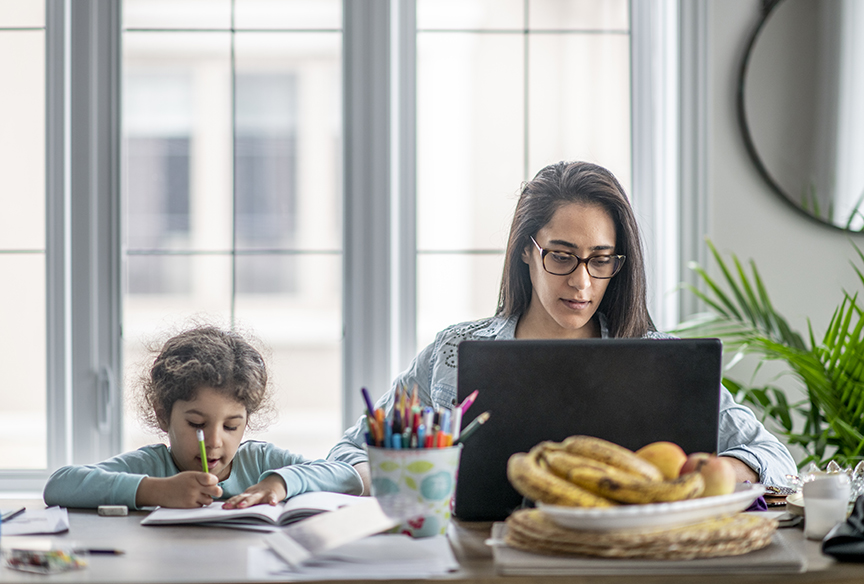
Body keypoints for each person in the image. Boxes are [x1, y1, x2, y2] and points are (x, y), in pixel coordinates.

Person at [328, 160, 797, 494]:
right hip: (477, 561)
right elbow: (352, 452)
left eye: (600, 260)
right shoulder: (454, 350)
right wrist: (392, 475)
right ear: (527, 250)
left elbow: (776, 459)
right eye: (561, 255)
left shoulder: (662, 358)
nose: (581, 281)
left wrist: (714, 472)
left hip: (637, 565)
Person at [44, 325, 362, 509]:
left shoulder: (262, 462)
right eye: (196, 424)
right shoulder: (151, 467)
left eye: (231, 425)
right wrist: (156, 490)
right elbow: (60, 486)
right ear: (162, 414)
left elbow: (347, 476)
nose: (213, 441)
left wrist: (280, 482)